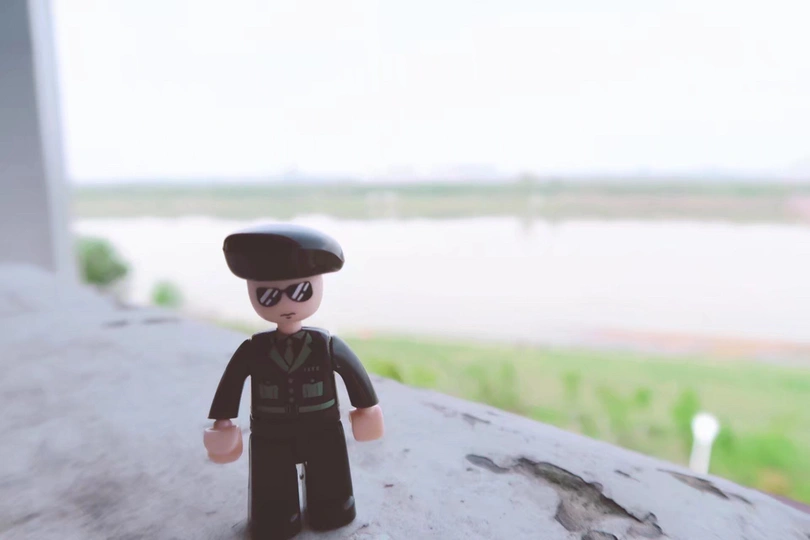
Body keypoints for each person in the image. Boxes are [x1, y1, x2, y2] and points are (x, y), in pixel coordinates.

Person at [202, 223, 384, 540]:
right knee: (272, 488)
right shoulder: (254, 350)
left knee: (330, 481)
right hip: (270, 433)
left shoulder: (326, 346)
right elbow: (231, 384)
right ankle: (274, 516)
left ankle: (333, 507)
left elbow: (354, 375)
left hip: (322, 427)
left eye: (300, 292)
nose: (286, 305)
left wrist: (366, 408)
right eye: (269, 295)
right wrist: (223, 421)